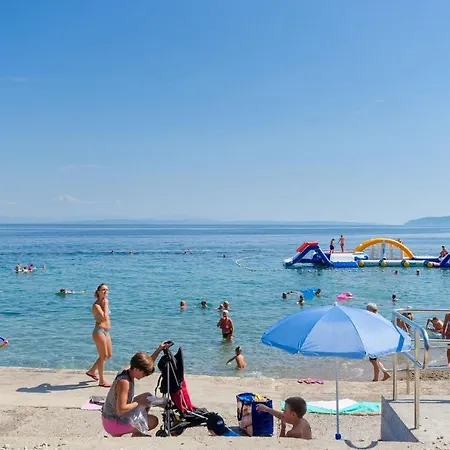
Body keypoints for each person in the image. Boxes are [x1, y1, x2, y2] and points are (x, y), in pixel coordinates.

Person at [102, 344, 169, 437]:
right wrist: (139, 403)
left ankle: (136, 433)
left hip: (113, 416)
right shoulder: (124, 382)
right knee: (153, 421)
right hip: (113, 422)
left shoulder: (129, 368)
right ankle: (123, 433)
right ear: (137, 369)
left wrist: (159, 349)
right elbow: (121, 410)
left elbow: (145, 363)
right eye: (144, 373)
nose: (145, 376)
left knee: (147, 396)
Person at [86, 284, 112, 387]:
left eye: (107, 290)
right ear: (98, 292)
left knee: (108, 355)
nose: (105, 292)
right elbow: (104, 317)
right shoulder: (96, 305)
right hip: (99, 331)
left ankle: (92, 371)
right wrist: (105, 305)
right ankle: (101, 381)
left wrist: (106, 303)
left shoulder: (106, 301)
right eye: (103, 290)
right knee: (102, 356)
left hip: (106, 332)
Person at [366, 303, 391, 381]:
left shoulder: (373, 318)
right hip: (378, 340)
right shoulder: (378, 316)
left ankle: (376, 378)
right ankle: (385, 373)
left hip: (375, 341)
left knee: (373, 360)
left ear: (370, 310)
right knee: (374, 359)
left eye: (367, 309)